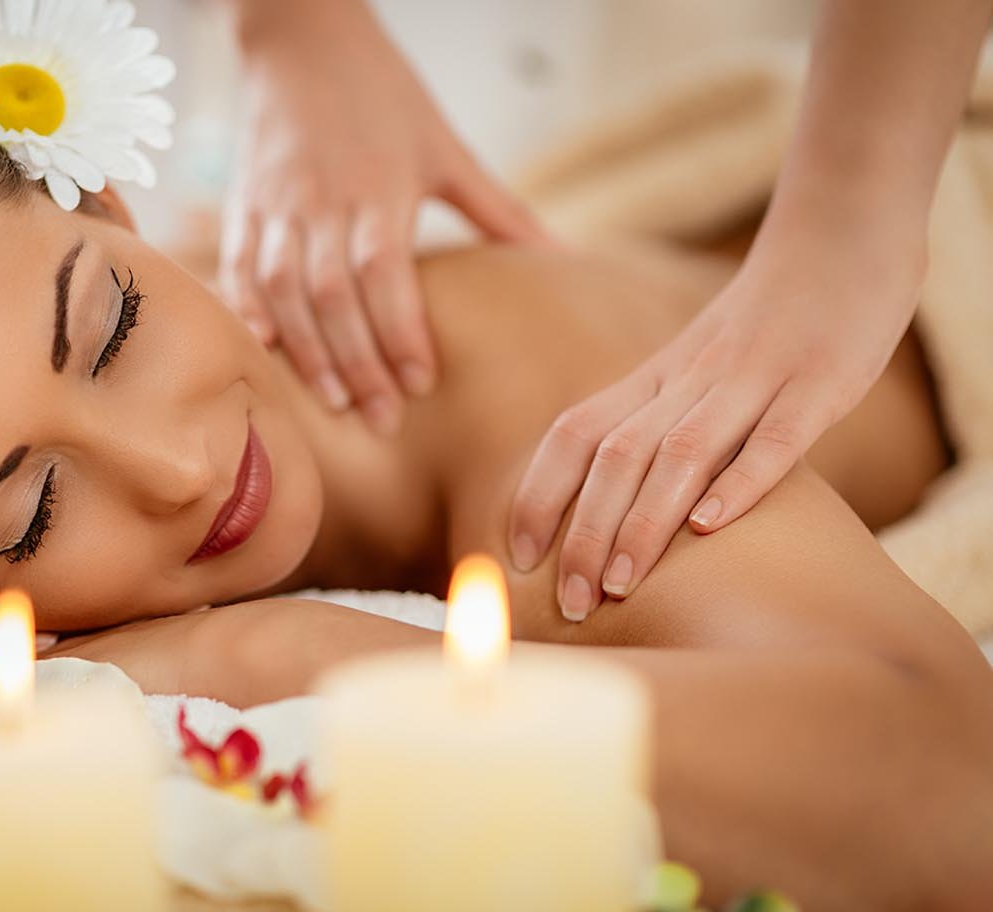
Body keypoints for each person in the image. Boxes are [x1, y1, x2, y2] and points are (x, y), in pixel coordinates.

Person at [0, 87, 992, 908]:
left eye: (109, 327)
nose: (182, 468)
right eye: (31, 518)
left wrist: (291, 653)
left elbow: (948, 791)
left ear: (109, 211)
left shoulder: (558, 449)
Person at [219, 0, 993, 624]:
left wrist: (850, 212)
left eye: (114, 328)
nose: (176, 472)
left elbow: (929, 742)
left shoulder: (545, 475)